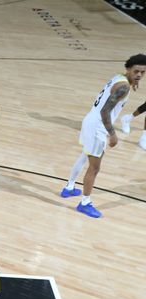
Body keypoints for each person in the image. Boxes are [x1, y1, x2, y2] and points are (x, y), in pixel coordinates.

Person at [61, 54, 146, 218]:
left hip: (89, 121)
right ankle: (85, 203)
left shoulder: (119, 77)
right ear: (128, 69)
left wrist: (133, 82)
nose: (139, 75)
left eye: (143, 73)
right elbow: (105, 111)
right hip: (97, 127)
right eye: (136, 71)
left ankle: (69, 187)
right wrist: (112, 134)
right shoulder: (124, 87)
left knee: (84, 156)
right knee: (94, 167)